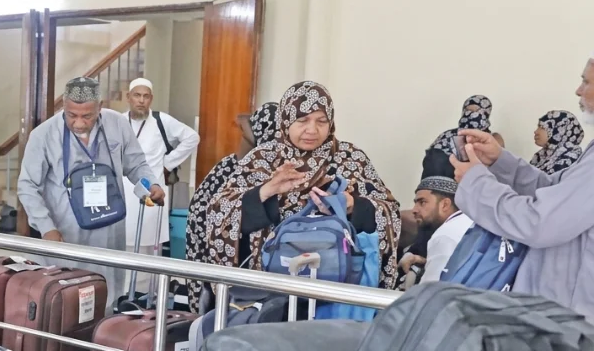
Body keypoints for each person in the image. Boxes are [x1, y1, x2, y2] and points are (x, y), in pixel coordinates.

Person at [203, 81, 401, 288]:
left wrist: (352, 206)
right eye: (302, 120)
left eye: (321, 121)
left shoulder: (351, 158)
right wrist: (267, 191)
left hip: (336, 280)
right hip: (271, 283)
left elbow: (389, 211)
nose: (312, 130)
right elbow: (218, 211)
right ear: (286, 120)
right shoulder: (262, 159)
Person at [450, 54, 594, 320]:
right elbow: (554, 190)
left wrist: (476, 183)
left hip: (572, 325)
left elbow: (540, 222)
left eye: (586, 82)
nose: (578, 90)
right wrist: (499, 161)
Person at [18, 76, 164, 302]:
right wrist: (46, 228)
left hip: (109, 230)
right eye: (71, 115)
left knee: (106, 297)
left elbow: (136, 164)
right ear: (63, 106)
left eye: (87, 116)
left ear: (100, 107)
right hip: (65, 233)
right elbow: (27, 186)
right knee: (67, 300)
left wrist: (151, 183)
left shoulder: (117, 124)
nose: (78, 123)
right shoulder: (44, 134)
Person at [185, 102, 278, 298]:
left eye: (247, 134)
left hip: (244, 270)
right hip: (207, 256)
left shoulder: (270, 174)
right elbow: (201, 210)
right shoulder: (228, 165)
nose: (242, 139)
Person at [121, 77, 198, 256]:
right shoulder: (119, 121)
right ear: (128, 97)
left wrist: (168, 163)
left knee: (149, 249)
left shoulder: (161, 120)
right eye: (137, 95)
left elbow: (192, 137)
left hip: (152, 191)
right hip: (124, 192)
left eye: (146, 96)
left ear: (151, 99)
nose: (141, 100)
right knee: (122, 247)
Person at [400, 177, 472, 283]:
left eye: (422, 202)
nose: (414, 210)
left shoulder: (445, 235)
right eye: (415, 203)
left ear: (445, 205)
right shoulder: (469, 223)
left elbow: (430, 289)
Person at [424, 95, 504, 178]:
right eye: (468, 110)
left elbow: (500, 169)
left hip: (482, 183)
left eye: (477, 111)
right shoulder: (447, 136)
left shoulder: (492, 140)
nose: (471, 114)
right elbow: (432, 164)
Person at [530, 110, 584, 175]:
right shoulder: (541, 155)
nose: (536, 131)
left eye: (542, 127)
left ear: (559, 130)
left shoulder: (571, 157)